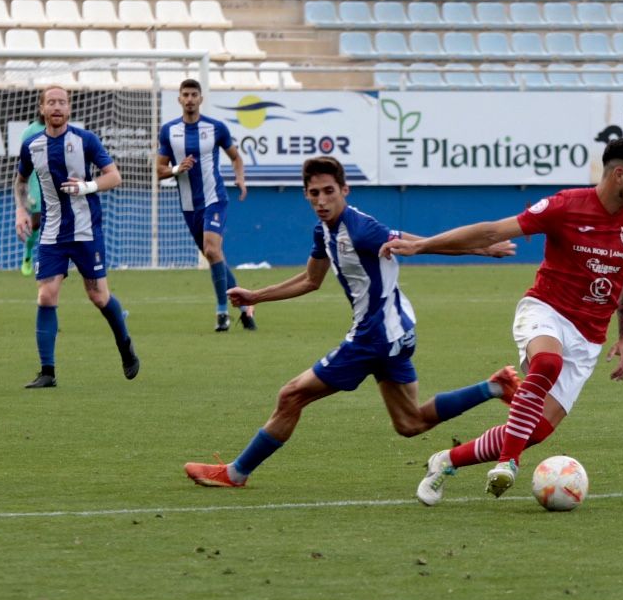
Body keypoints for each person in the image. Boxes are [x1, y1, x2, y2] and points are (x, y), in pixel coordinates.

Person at [183, 155, 519, 488]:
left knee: (291, 396)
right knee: (410, 422)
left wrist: (480, 249)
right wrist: (256, 296)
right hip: (395, 331)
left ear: (345, 189)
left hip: (374, 337)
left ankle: (235, 473)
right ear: (306, 195)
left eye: (329, 191)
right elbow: (310, 281)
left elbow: (417, 244)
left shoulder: (361, 230)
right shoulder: (324, 232)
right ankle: (494, 386)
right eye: (314, 193)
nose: (322, 200)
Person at [381, 137, 623, 505]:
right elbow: (494, 230)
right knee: (547, 362)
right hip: (546, 309)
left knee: (536, 429)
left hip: (589, 335)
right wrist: (422, 245)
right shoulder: (565, 206)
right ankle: (508, 463)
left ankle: (445, 461)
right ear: (620, 174)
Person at [14, 86, 139, 389]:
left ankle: (124, 344)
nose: (57, 107)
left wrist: (86, 186)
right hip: (52, 233)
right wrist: (20, 211)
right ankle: (48, 371)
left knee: (98, 296)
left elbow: (114, 176)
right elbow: (19, 181)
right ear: (42, 109)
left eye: (62, 102)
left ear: (69, 109)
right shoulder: (32, 145)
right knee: (46, 295)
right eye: (51, 102)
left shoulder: (85, 140)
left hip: (86, 231)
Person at [156, 78, 256, 332]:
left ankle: (222, 313)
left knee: (212, 251)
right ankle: (245, 306)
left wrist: (240, 179)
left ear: (201, 99)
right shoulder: (169, 130)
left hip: (215, 199)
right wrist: (178, 168)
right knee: (214, 257)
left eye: (194, 95)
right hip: (189, 205)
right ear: (179, 99)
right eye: (185, 95)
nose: (189, 99)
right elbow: (158, 170)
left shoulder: (216, 128)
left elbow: (236, 158)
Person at [18, 116, 44, 277]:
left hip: (56, 183)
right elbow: (24, 162)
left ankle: (44, 264)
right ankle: (27, 255)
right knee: (36, 224)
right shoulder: (29, 132)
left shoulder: (65, 130)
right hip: (36, 182)